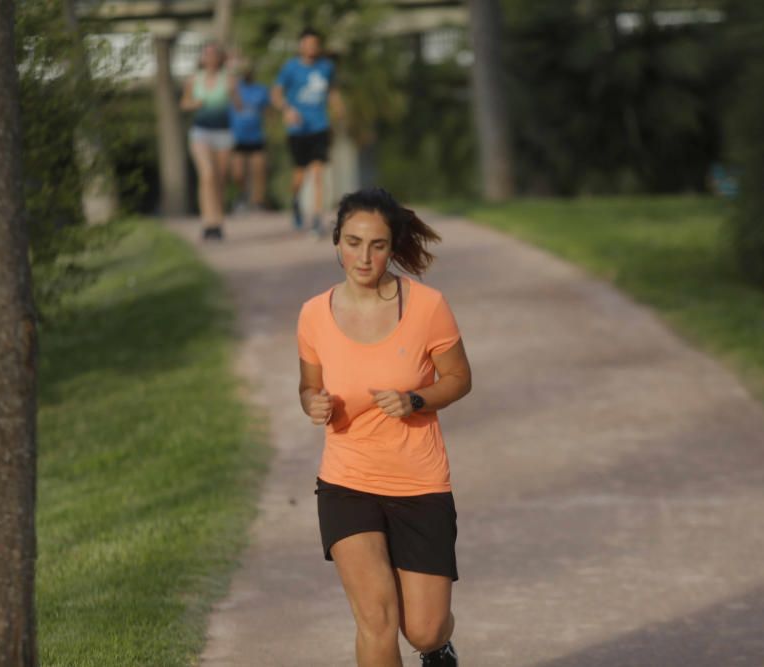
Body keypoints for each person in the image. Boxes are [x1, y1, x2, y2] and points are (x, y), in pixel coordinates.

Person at [296, 188, 471, 666]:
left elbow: (459, 379)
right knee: (376, 618)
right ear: (336, 242)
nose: (363, 257)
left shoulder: (428, 307)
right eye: (352, 242)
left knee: (423, 627)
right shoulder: (314, 314)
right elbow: (308, 386)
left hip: (419, 481)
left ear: (392, 247)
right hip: (347, 482)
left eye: (376, 245)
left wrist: (416, 399)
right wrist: (314, 404)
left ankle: (439, 649)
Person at [272, 27, 343, 235]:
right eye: (308, 43)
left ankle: (316, 219)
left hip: (319, 126)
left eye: (315, 44)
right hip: (298, 128)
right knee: (299, 176)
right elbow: (276, 94)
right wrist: (287, 110)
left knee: (318, 173)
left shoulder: (326, 67)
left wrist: (338, 108)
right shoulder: (290, 68)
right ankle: (295, 201)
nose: (312, 48)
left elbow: (332, 91)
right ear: (301, 45)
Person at [180, 42, 238, 240]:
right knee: (207, 175)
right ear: (202, 58)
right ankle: (207, 221)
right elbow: (184, 104)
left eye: (214, 54)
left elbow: (238, 105)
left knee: (220, 179)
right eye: (207, 54)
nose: (211, 58)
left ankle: (218, 221)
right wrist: (194, 103)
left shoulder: (228, 79)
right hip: (201, 132)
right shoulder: (193, 80)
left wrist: (234, 94)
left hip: (223, 133)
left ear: (219, 58)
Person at [229, 59, 270, 211]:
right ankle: (243, 195)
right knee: (238, 173)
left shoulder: (261, 90)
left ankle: (258, 201)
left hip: (256, 137)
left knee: (258, 171)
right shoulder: (234, 89)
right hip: (238, 137)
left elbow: (267, 111)